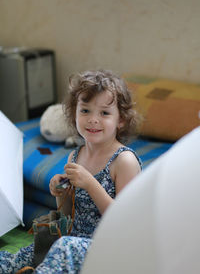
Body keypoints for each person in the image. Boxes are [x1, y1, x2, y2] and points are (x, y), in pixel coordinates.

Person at [0, 69, 142, 273]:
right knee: (27, 252)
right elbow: (67, 215)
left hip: (109, 246)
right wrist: (61, 194)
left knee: (64, 247)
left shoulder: (124, 161)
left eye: (104, 113)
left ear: (120, 120)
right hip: (72, 239)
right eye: (85, 111)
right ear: (74, 113)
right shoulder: (76, 156)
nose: (93, 119)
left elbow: (123, 220)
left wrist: (90, 184)